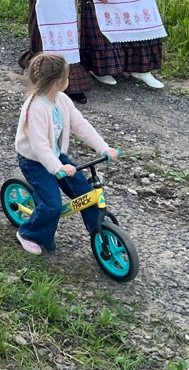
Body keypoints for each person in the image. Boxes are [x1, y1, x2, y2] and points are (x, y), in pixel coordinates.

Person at [13, 53, 117, 256]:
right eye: (67, 76)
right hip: (34, 161)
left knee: (86, 192)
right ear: (59, 82)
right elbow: (40, 146)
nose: (68, 80)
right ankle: (28, 234)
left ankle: (99, 232)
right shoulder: (35, 108)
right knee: (52, 205)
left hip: (56, 156)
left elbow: (81, 125)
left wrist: (103, 148)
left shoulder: (62, 100)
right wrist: (58, 167)